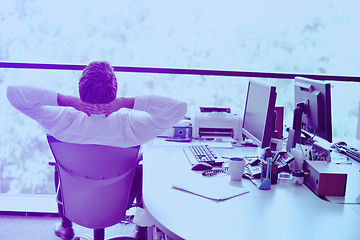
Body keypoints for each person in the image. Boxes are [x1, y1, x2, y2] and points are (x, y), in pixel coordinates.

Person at [6, 61, 187, 239]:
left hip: (76, 199)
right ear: (114, 93)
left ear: (80, 92)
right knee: (141, 164)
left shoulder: (62, 121)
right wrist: (125, 102)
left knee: (60, 165)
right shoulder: (129, 126)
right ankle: (140, 230)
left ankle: (66, 226)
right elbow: (179, 109)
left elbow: (13, 93)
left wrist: (67, 100)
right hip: (118, 203)